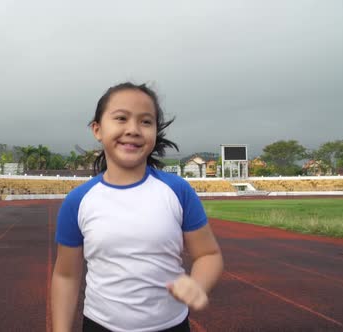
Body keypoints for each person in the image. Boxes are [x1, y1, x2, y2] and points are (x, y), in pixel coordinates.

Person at [51, 82, 223, 332]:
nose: (133, 129)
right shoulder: (78, 201)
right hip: (100, 325)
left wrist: (197, 283)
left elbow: (209, 255)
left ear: (155, 131)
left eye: (145, 121)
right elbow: (65, 275)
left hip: (171, 326)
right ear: (97, 129)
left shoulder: (177, 191)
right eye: (121, 118)